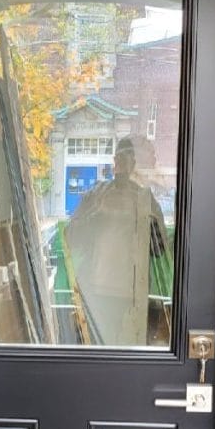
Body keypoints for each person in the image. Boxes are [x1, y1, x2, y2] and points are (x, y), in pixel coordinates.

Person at [65, 137, 168, 346]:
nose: (123, 162)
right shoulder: (96, 195)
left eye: (129, 156)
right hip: (95, 293)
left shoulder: (144, 199)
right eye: (120, 156)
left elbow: (159, 249)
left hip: (132, 296)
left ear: (134, 164)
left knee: (129, 351)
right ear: (114, 161)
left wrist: (146, 223)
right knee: (97, 351)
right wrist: (97, 216)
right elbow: (71, 237)